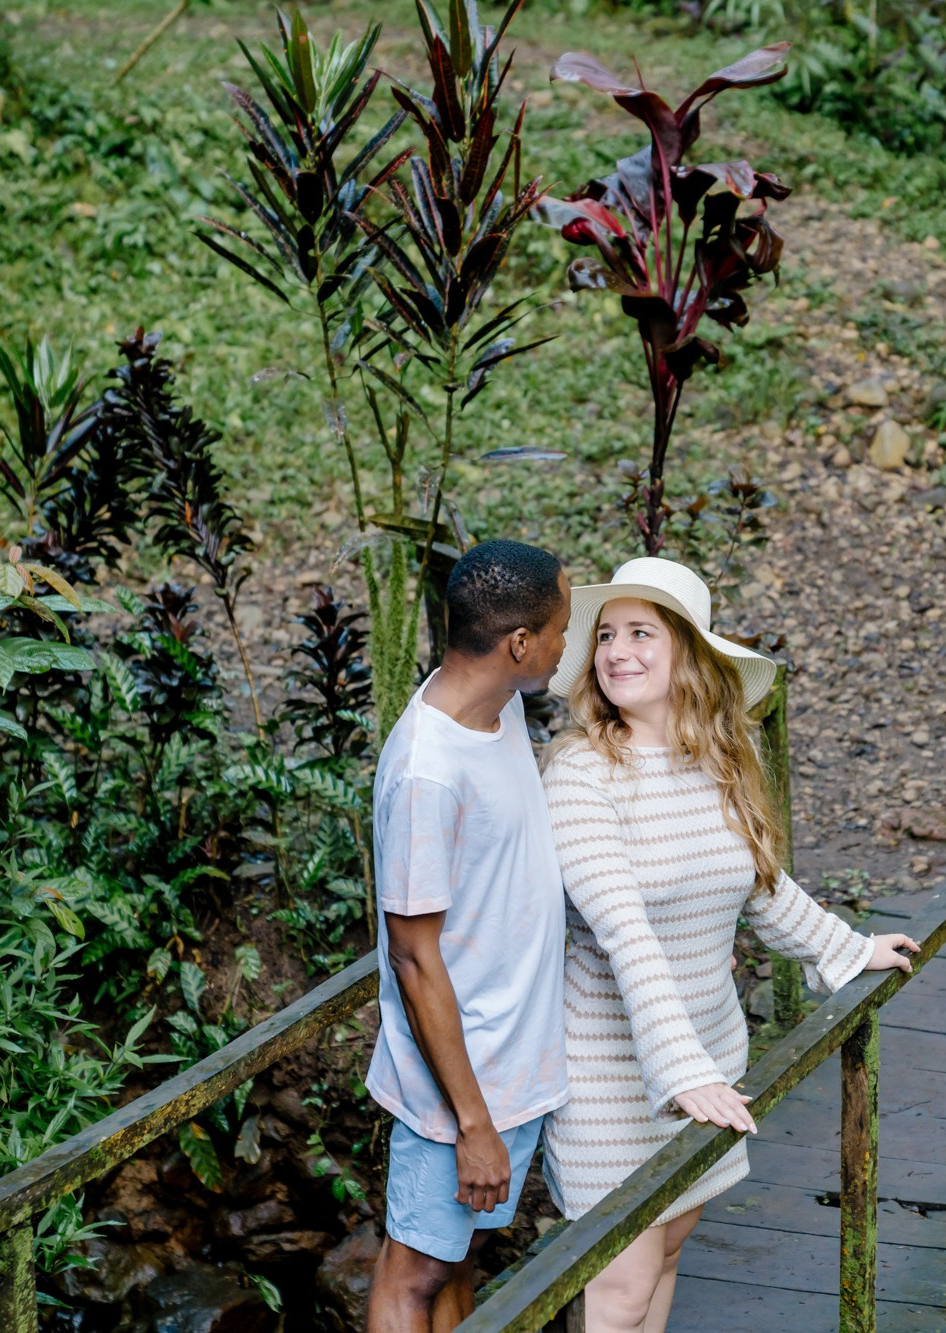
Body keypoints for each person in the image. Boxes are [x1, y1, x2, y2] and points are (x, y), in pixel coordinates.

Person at [540, 557, 920, 1333]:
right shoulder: (580, 770)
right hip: (612, 1071)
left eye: (641, 632)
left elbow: (761, 886)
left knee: (670, 1252)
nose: (617, 651)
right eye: (606, 634)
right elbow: (623, 929)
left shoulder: (714, 759)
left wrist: (848, 948)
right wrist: (680, 1070)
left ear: (688, 650)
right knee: (619, 1292)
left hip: (709, 1048)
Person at [364, 540, 573, 1333]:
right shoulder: (427, 771)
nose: (565, 643)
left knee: (460, 1260)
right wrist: (472, 1123)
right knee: (412, 1271)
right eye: (559, 627)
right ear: (518, 643)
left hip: (511, 1061)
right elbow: (415, 958)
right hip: (460, 1088)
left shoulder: (501, 706)